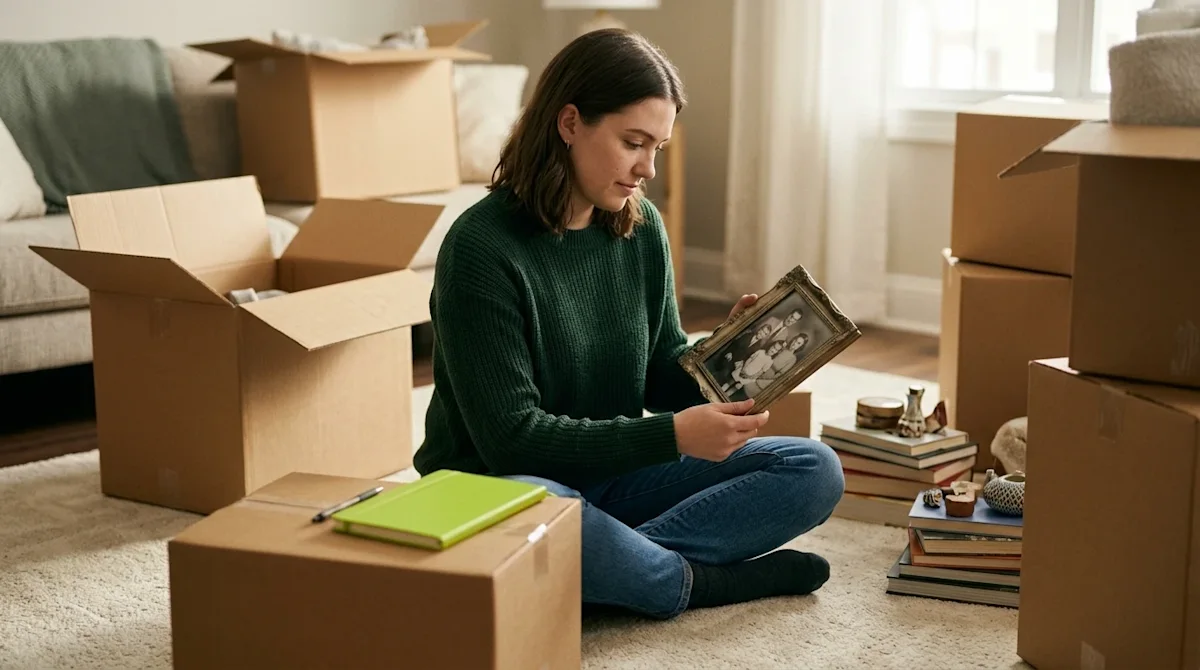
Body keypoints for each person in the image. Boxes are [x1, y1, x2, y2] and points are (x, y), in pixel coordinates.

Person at [414, 28, 844, 620]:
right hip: (502, 487)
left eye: (657, 148)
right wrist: (672, 436)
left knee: (813, 468)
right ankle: (697, 581)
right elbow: (511, 439)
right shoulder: (481, 249)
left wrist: (727, 354)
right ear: (569, 123)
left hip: (610, 482)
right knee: (541, 509)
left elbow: (658, 374)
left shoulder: (640, 230)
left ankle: (620, 572)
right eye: (633, 142)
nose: (647, 169)